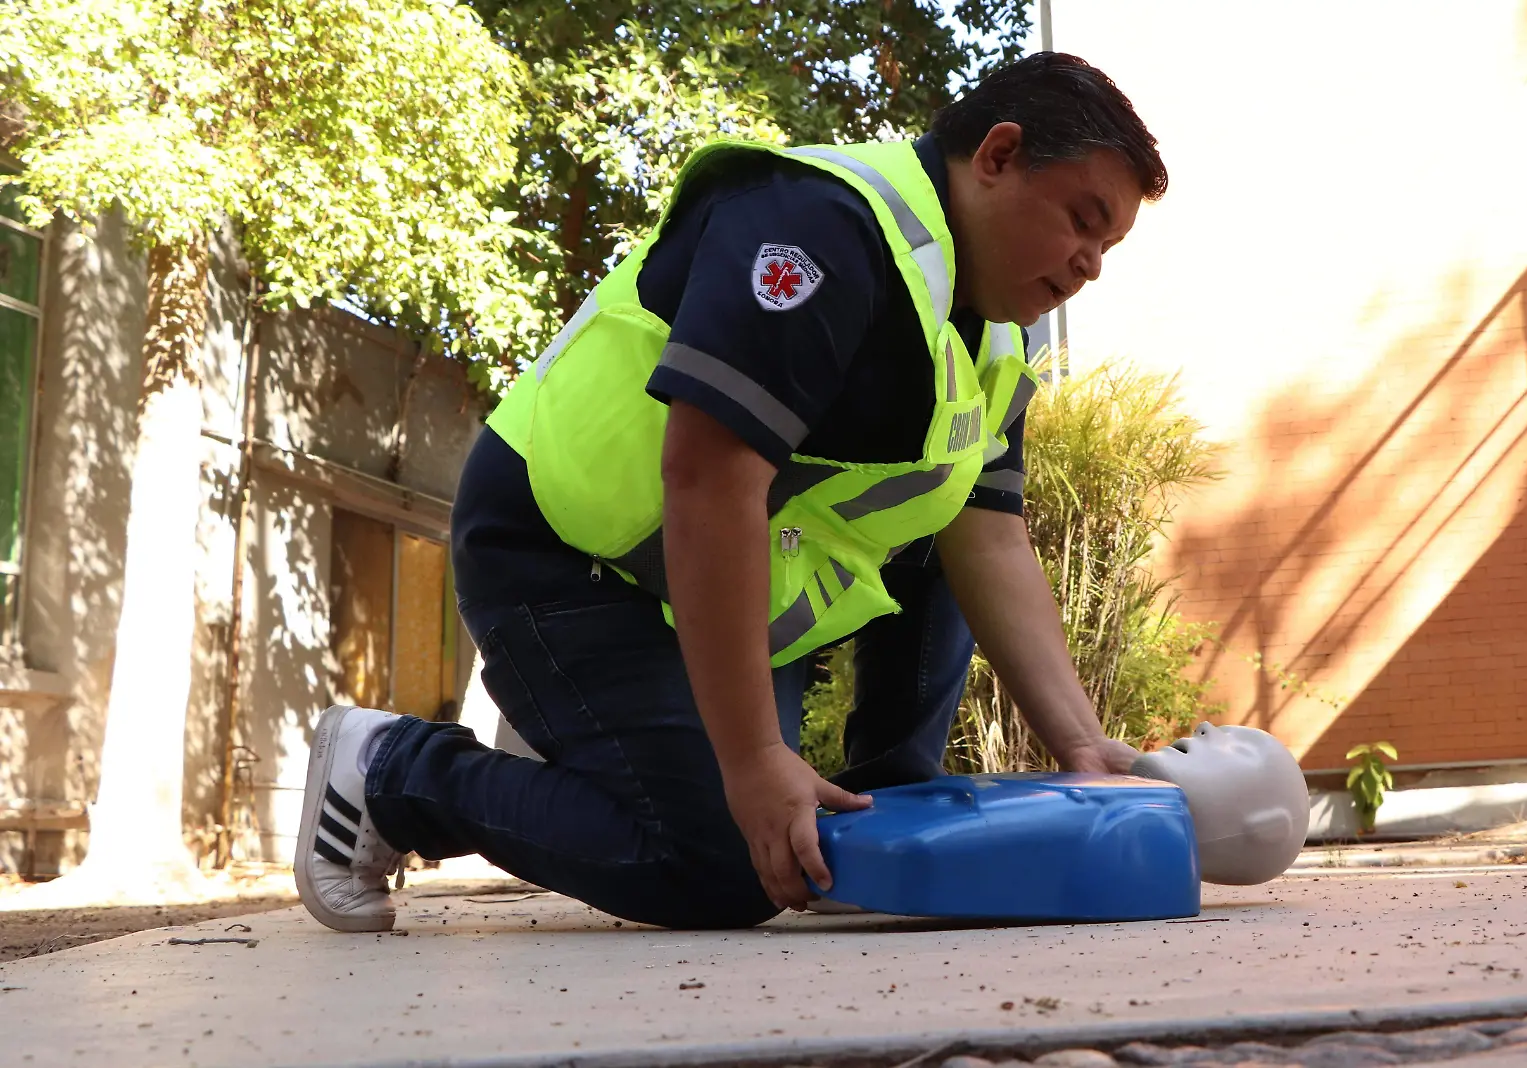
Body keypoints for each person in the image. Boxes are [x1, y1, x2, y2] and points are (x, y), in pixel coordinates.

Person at [292, 52, 1170, 933]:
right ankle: (393, 770)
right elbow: (709, 480)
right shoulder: (819, 226)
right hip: (566, 558)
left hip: (710, 585)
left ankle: (883, 820)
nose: (1091, 263)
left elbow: (988, 538)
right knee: (720, 866)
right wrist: (751, 762)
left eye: (1110, 246)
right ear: (998, 155)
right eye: (1082, 221)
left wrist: (1082, 747)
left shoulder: (991, 345)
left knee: (929, 545)